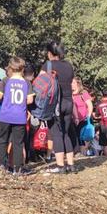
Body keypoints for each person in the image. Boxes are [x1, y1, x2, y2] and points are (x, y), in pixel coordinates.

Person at [0, 57, 34, 173]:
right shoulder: (26, 82)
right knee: (18, 143)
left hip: (5, 115)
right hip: (19, 116)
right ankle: (17, 169)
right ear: (22, 69)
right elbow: (30, 100)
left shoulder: (5, 80)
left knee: (3, 141)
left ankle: (0, 167)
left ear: (10, 68)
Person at [44, 41, 76, 169]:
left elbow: (41, 83)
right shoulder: (69, 65)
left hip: (55, 103)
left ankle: (60, 165)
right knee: (66, 133)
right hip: (69, 102)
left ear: (50, 53)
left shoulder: (48, 65)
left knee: (56, 133)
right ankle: (71, 164)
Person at [72, 76, 93, 153]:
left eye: (73, 82)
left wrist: (89, 116)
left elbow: (90, 105)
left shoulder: (83, 93)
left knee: (83, 138)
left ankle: (83, 154)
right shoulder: (70, 94)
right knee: (76, 138)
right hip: (73, 120)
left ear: (78, 83)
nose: (71, 84)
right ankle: (78, 154)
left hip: (84, 119)